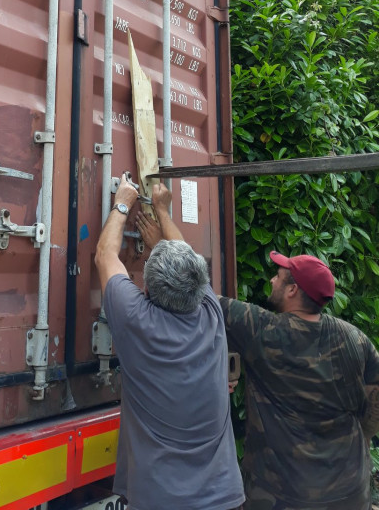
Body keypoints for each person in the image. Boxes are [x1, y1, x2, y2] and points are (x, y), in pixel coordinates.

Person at [139, 183, 379, 510]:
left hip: (283, 498)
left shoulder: (264, 331)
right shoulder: (355, 338)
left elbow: (194, 286)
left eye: (279, 276)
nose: (272, 280)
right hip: (349, 494)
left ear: (293, 290)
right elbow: (374, 409)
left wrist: (162, 223)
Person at [95, 175, 244, 510]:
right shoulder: (210, 312)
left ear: (146, 289)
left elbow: (105, 256)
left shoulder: (138, 320)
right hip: (224, 498)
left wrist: (122, 203)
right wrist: (163, 212)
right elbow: (189, 260)